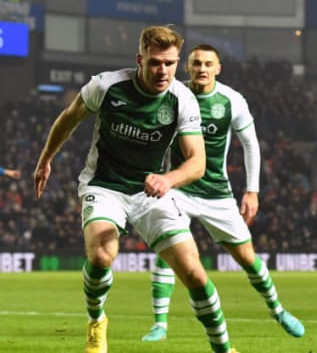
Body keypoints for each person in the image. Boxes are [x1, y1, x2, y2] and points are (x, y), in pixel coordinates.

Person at [34, 26, 238, 353]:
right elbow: (70, 117)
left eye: (170, 63)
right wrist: (46, 158)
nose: (163, 71)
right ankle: (97, 321)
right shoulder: (107, 86)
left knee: (194, 274)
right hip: (105, 185)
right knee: (102, 255)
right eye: (156, 63)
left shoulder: (182, 99)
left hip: (152, 191)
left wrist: (168, 180)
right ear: (139, 60)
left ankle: (224, 349)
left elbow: (197, 162)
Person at [141, 44, 304, 342]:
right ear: (187, 67)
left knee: (247, 258)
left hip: (217, 193)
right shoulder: (173, 95)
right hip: (177, 187)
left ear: (218, 68)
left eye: (208, 63)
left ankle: (277, 309)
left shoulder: (231, 100)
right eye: (196, 63)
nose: (202, 68)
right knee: (170, 247)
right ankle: (160, 324)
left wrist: (252, 191)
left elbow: (251, 144)